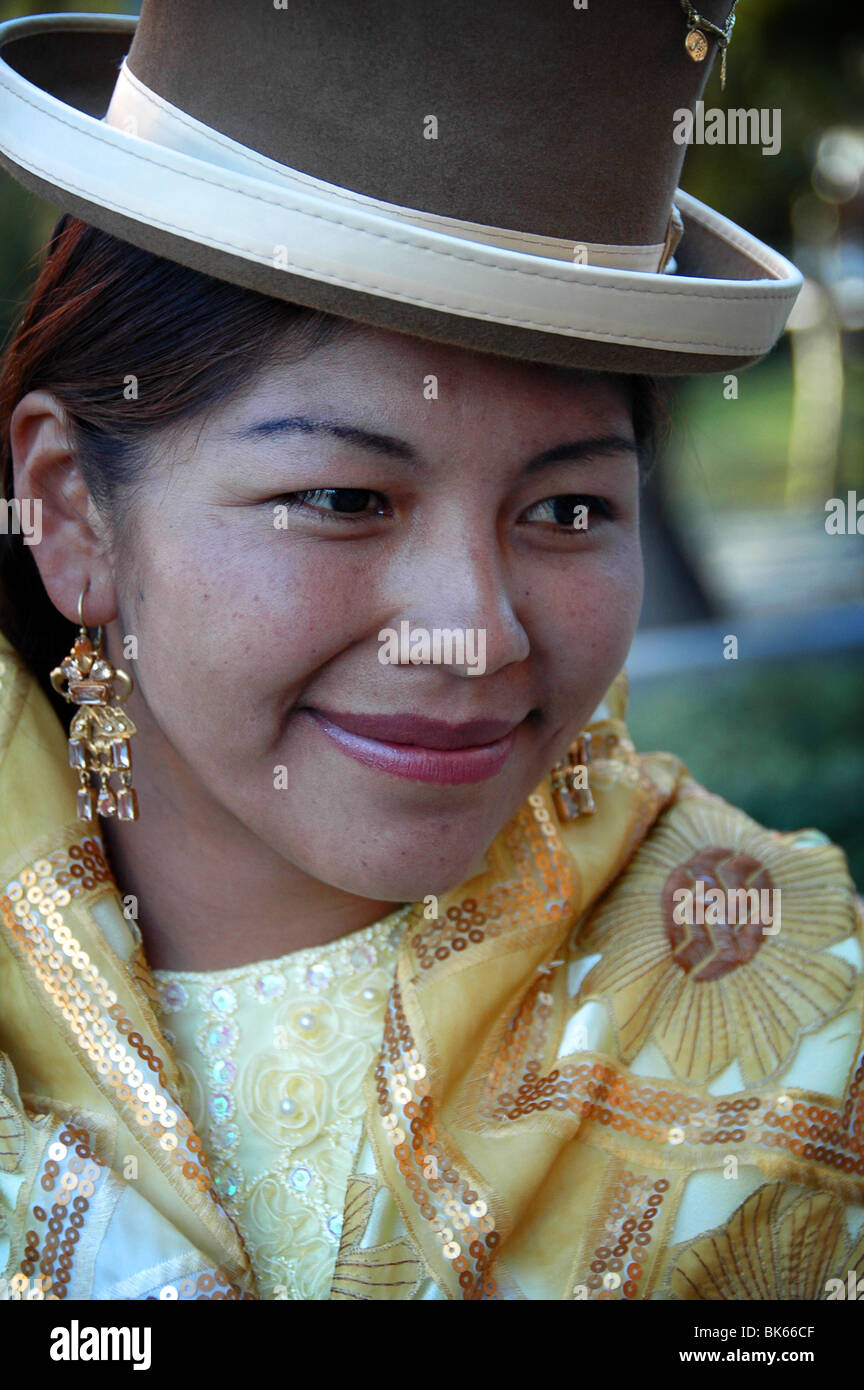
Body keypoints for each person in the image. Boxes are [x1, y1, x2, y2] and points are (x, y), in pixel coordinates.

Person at [0, 0, 860, 1303]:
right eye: (344, 498)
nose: (476, 632)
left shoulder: (795, 1014)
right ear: (71, 512)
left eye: (567, 510)